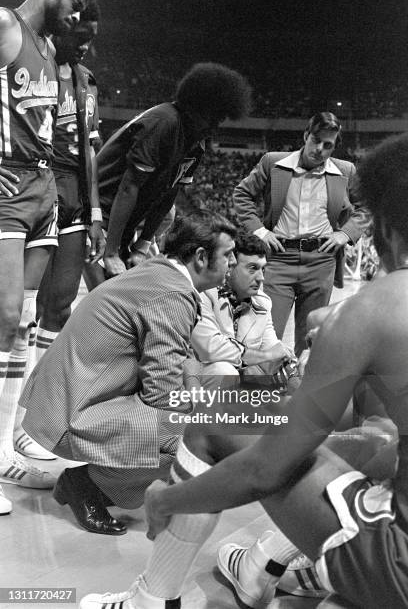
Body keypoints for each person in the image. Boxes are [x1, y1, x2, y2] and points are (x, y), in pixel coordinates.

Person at [79, 133, 407, 609]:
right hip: (164, 392)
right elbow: (181, 377)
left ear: (387, 230)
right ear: (207, 261)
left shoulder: (363, 307)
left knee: (240, 422)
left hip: (396, 563)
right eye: (241, 263)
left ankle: (154, 598)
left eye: (255, 266)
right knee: (363, 436)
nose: (252, 273)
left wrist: (166, 501)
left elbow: (264, 466)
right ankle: (271, 562)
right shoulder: (183, 295)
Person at [19, 210, 236, 536]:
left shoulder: (160, 273)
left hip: (66, 399)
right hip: (73, 413)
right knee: (195, 436)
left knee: (204, 404)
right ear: (202, 257)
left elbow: (176, 363)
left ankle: (103, 481)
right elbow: (162, 392)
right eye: (228, 254)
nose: (232, 262)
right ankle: (86, 484)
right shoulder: (174, 293)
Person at [0, 0, 91, 515]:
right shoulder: (6, 24)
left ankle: (8, 445)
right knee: (5, 317)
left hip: (41, 186)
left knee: (25, 323)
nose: (78, 14)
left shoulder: (46, 49)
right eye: (75, 2)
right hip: (7, 184)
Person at [12, 0, 105, 463]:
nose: (84, 43)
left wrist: (95, 211)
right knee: (16, 311)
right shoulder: (30, 47)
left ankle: (31, 413)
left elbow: (92, 153)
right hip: (31, 179)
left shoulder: (85, 81)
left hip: (63, 190)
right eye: (80, 34)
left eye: (90, 38)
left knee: (54, 307)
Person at [82, 62, 251, 287]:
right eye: (214, 117)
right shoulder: (164, 122)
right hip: (97, 216)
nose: (215, 126)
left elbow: (169, 193)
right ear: (197, 106)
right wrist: (111, 252)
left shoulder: (196, 140)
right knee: (107, 301)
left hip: (123, 226)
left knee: (126, 299)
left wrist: (142, 245)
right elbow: (128, 188)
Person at [233, 112, 366, 357]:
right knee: (264, 332)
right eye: (316, 140)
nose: (320, 149)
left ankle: (299, 389)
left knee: (309, 338)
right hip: (278, 257)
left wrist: (345, 234)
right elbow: (242, 195)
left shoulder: (345, 170)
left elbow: (366, 207)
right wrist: (260, 231)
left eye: (328, 145)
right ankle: (262, 388)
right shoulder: (273, 162)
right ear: (305, 136)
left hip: (321, 259)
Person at [191, 232, 296, 391]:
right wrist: (265, 356)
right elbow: (211, 350)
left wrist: (289, 364)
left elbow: (273, 348)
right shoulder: (204, 293)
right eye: (252, 268)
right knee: (225, 372)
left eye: (263, 269)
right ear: (230, 266)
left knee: (288, 370)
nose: (261, 278)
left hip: (239, 377)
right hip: (194, 378)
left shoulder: (263, 302)